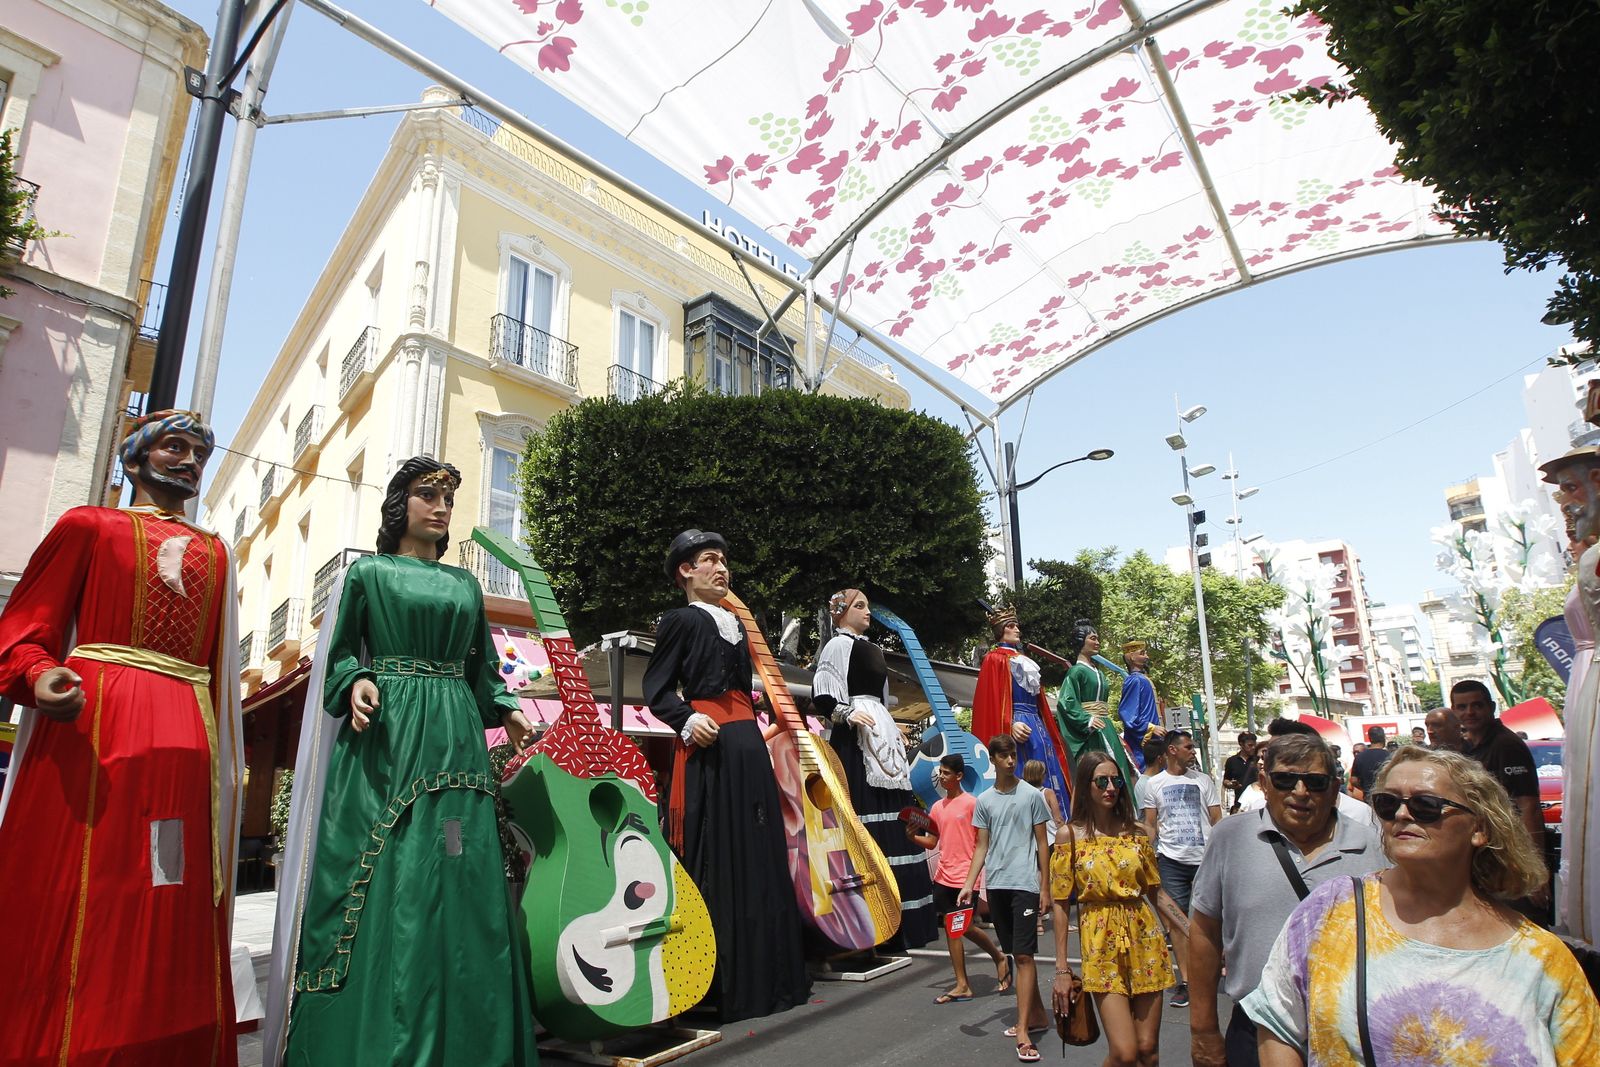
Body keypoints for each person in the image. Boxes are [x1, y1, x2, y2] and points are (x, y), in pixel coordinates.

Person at [270, 458, 537, 1065]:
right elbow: (338, 656)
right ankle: (381, 1034)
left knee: (458, 868)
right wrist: (358, 681)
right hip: (390, 735)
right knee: (396, 873)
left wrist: (508, 709)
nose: (441, 507)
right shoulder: (368, 574)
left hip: (458, 737)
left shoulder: (466, 586)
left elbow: (483, 672)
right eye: (427, 495)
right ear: (401, 505)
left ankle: (469, 1038)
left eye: (447, 498)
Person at [0, 410, 246, 1066]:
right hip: (96, 732)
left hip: (189, 743)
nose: (190, 460)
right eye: (174, 445)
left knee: (168, 895)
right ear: (133, 458)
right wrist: (40, 673)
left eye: (199, 451)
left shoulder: (218, 553)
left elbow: (219, 667)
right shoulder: (88, 525)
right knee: (88, 893)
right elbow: (24, 627)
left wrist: (225, 763)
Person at [1243, 747, 1600, 1065]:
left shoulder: (1542, 958)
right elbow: (1278, 1024)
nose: (1401, 815)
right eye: (1387, 803)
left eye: (1425, 805)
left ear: (1479, 828)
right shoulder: (1331, 910)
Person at [641, 530, 809, 1022]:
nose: (722, 568)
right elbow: (657, 689)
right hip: (710, 744)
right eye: (709, 560)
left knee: (759, 852)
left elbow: (742, 690)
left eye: (723, 561)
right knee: (717, 849)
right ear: (685, 572)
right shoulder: (678, 620)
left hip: (747, 743)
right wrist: (686, 719)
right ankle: (719, 982)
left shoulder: (738, 623)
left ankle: (768, 976)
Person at [1187, 734, 1385, 1067]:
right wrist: (1203, 1028)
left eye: (1315, 782)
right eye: (1285, 780)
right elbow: (1204, 933)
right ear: (1264, 783)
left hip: (1355, 1035)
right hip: (1255, 1031)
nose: (1300, 792)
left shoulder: (1374, 845)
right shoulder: (1230, 838)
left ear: (1335, 786)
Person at [812, 588, 937, 949]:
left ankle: (909, 919)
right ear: (839, 612)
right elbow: (823, 694)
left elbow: (881, 696)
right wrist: (846, 713)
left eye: (866, 605)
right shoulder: (837, 646)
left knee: (897, 816)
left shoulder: (873, 649)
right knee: (869, 814)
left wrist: (890, 722)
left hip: (880, 731)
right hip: (856, 737)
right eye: (859, 606)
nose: (867, 612)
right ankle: (880, 919)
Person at [1049, 751, 1173, 1067]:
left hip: (1145, 938)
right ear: (1085, 785)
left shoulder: (1137, 832)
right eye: (1101, 781)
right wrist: (1062, 969)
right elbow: (1061, 904)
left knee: (1148, 1050)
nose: (1110, 788)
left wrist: (1194, 935)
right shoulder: (1070, 836)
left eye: (1115, 780)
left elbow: (1158, 896)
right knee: (1125, 1052)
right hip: (1099, 942)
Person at [958, 734, 1051, 1063]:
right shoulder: (984, 800)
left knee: (1024, 957)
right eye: (1005, 756)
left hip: (1025, 884)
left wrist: (1045, 887)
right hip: (996, 884)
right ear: (993, 760)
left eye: (1014, 755)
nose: (1011, 761)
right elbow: (981, 845)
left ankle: (1024, 1028)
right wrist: (970, 883)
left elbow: (1042, 843)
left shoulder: (1031, 796)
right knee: (1016, 953)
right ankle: (1037, 1015)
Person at [908, 753, 1009, 1003]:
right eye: (940, 773)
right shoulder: (936, 807)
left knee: (958, 928)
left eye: (946, 773)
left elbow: (983, 843)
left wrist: (971, 880)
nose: (941, 777)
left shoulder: (973, 804)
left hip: (966, 878)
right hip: (944, 876)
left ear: (959, 776)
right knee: (958, 929)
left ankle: (986, 967)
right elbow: (932, 841)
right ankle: (976, 974)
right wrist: (912, 837)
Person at [1135, 729, 1220, 1008]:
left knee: (1210, 919)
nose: (1193, 751)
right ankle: (1186, 981)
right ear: (1172, 750)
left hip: (1204, 859)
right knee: (1175, 922)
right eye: (1188, 747)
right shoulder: (1153, 784)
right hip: (1170, 859)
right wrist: (1143, 850)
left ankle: (1213, 970)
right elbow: (1151, 823)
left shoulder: (1204, 781)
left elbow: (1217, 820)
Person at [1451, 678, 1549, 917]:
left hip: (1512, 859)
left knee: (1523, 932)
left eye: (1477, 705)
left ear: (1491, 707)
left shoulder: (1507, 745)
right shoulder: (1466, 748)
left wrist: (1534, 870)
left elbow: (1529, 807)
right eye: (1462, 707)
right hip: (1484, 858)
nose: (1470, 712)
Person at [972, 610, 1073, 817]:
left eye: (1016, 625)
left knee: (1048, 771)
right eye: (1010, 625)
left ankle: (1058, 821)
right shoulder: (994, 659)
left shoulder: (1024, 660)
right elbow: (990, 702)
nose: (1016, 629)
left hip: (1037, 726)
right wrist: (1009, 724)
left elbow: (1039, 702)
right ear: (1000, 630)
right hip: (1017, 726)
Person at [1054, 619, 1136, 787]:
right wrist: (1087, 719)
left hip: (1106, 726)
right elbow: (1066, 701)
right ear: (1080, 641)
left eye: (1097, 638)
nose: (1097, 642)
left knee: (1119, 767)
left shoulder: (1097, 672)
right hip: (1092, 729)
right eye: (1092, 638)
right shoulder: (1076, 671)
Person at [1116, 640, 1165, 770]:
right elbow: (1127, 714)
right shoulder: (1134, 680)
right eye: (1142, 653)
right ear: (1132, 657)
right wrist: (1150, 728)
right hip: (1143, 745)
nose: (1147, 657)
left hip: (1154, 741)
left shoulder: (1141, 679)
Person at [1349, 725, 1390, 796]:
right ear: (1383, 738)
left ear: (1370, 738)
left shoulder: (1359, 756)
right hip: (1386, 795)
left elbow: (1353, 780)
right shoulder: (1389, 756)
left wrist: (1365, 789)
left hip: (1368, 795)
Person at [1223, 732, 1260, 808]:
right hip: (1239, 804)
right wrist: (1231, 784)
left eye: (1254, 745)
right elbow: (1226, 780)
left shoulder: (1259, 760)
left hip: (1258, 803)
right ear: (1241, 744)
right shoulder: (1231, 761)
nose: (1253, 747)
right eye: (1250, 745)